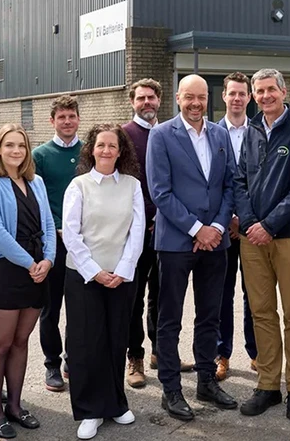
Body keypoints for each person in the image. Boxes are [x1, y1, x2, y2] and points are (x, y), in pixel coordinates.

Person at [147, 74, 237, 421]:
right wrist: (197, 228)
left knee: (209, 315)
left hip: (216, 242)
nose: (196, 103)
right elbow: (160, 191)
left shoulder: (219, 134)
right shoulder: (161, 135)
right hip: (176, 242)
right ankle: (170, 389)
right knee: (170, 319)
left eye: (201, 97)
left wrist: (215, 227)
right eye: (190, 97)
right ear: (178, 98)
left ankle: (205, 381)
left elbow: (229, 184)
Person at [233, 68, 290, 421]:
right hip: (252, 241)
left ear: (284, 92)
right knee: (262, 314)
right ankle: (268, 385)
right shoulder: (251, 130)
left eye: (271, 89)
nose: (265, 96)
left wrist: (269, 224)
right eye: (259, 91)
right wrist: (252, 224)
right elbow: (239, 180)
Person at [0, 124, 56, 438]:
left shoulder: (36, 182)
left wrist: (48, 260)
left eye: (21, 146)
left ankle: (16, 406)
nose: (16, 151)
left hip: (38, 271)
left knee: (21, 343)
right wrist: (31, 262)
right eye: (9, 146)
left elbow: (49, 224)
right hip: (7, 271)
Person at [61, 124, 143, 439]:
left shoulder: (132, 185)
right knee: (86, 343)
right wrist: (94, 271)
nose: (106, 150)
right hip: (84, 275)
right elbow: (71, 233)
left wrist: (123, 269)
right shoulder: (78, 186)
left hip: (121, 276)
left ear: (121, 151)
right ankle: (89, 410)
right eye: (101, 145)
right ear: (91, 150)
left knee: (115, 338)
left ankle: (115, 404)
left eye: (112, 146)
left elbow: (137, 231)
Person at [121, 79, 192, 387]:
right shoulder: (125, 135)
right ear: (133, 102)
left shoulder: (172, 133)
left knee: (163, 296)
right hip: (137, 230)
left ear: (160, 100)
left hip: (169, 229)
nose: (147, 102)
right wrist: (149, 217)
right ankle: (134, 356)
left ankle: (161, 352)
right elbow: (126, 181)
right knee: (134, 297)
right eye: (141, 98)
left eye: (151, 97)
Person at [32, 95, 81, 392]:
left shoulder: (89, 151)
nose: (67, 121)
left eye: (71, 116)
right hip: (53, 242)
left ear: (78, 118)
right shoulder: (40, 155)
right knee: (50, 308)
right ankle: (51, 363)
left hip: (83, 242)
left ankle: (72, 359)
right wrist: (54, 230)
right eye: (61, 117)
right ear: (52, 121)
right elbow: (35, 200)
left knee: (79, 306)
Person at [215, 72, 257, 381]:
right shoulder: (213, 133)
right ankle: (222, 354)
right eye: (233, 93)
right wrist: (228, 217)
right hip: (224, 227)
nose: (238, 98)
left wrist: (248, 218)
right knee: (222, 293)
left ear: (249, 97)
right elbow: (213, 181)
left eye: (243, 93)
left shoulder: (260, 132)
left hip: (254, 226)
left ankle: (257, 353)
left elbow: (264, 181)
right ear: (224, 97)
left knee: (254, 294)